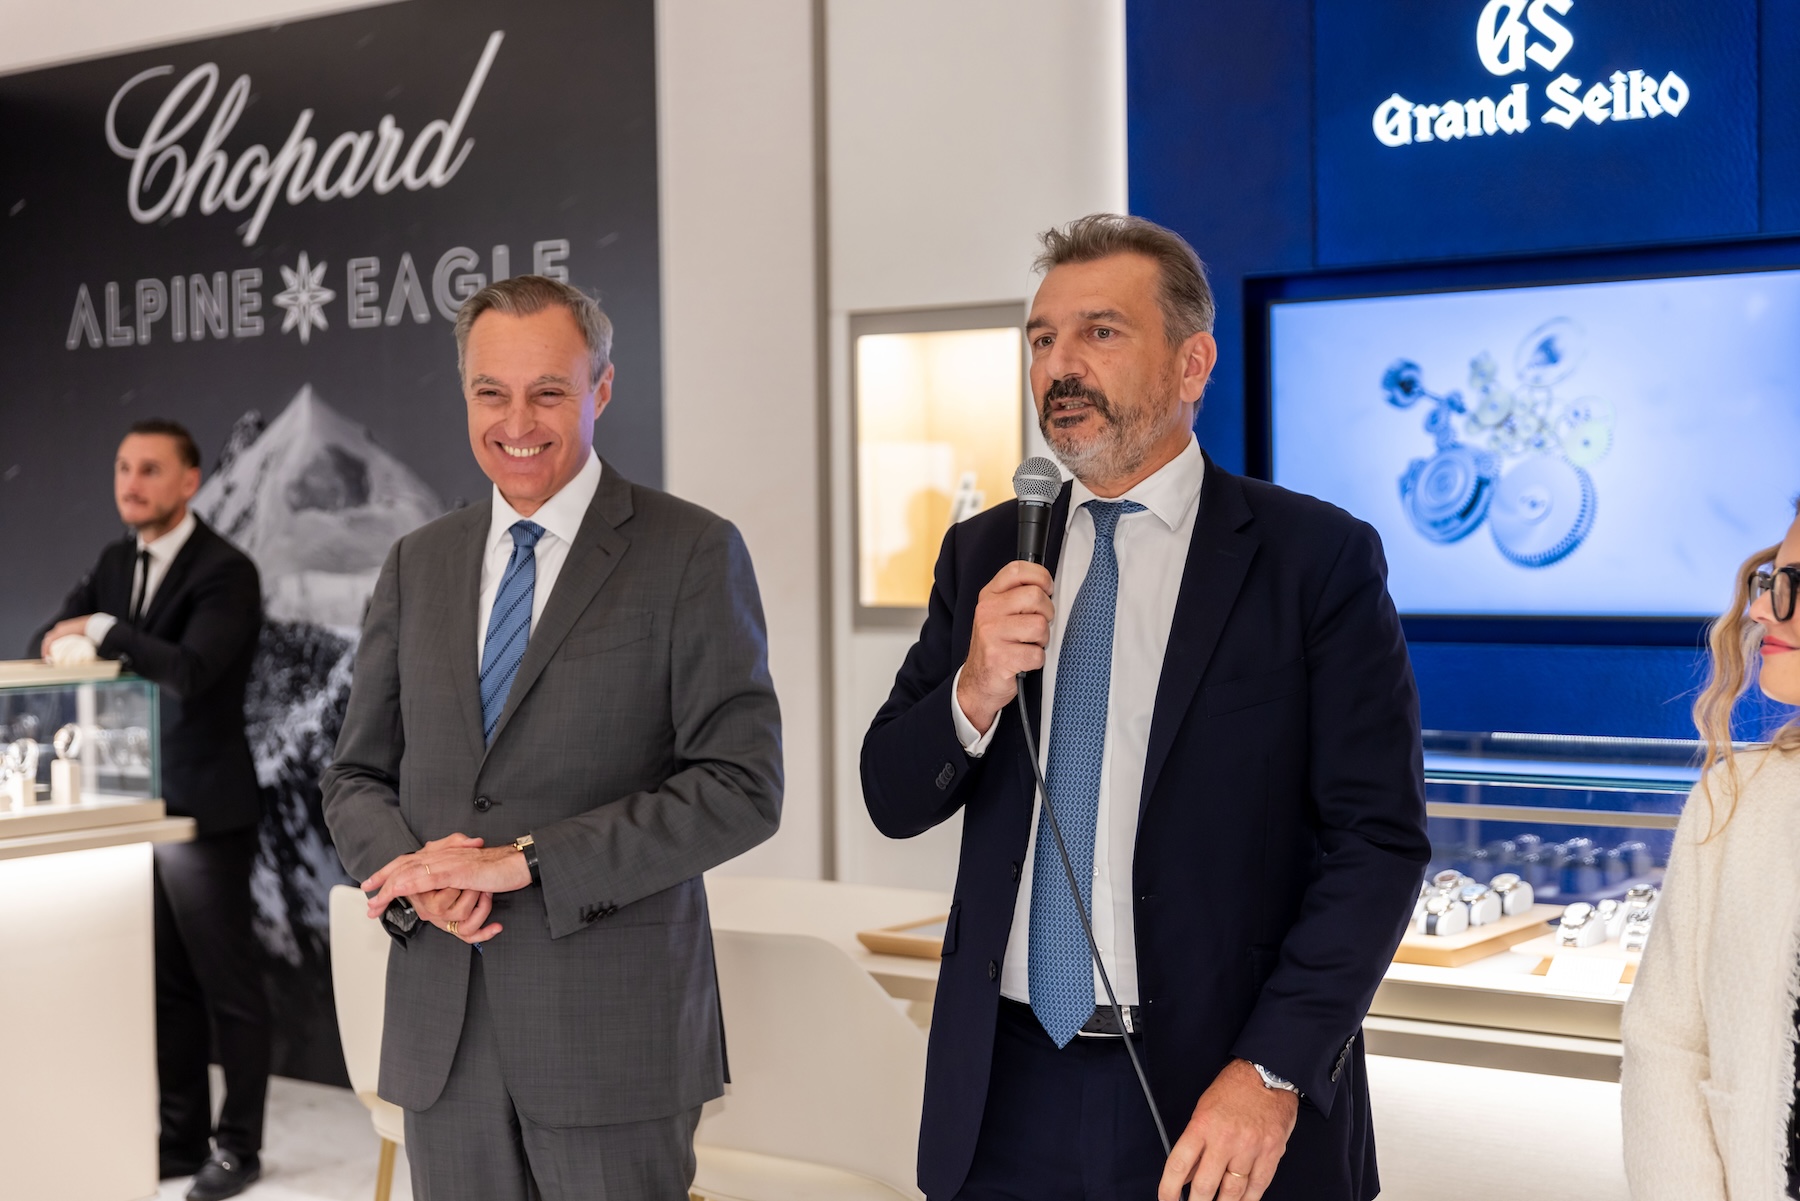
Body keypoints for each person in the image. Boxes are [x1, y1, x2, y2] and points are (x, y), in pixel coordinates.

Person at [861, 214, 1429, 1201]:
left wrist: (1275, 1066)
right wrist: (974, 688)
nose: (1059, 366)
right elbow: (891, 791)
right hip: (1003, 1093)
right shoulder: (987, 548)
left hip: (1217, 1095)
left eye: (1099, 332)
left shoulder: (1312, 559)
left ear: (1193, 361)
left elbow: (1377, 843)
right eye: (1041, 339)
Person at [323, 274, 782, 1201]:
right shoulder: (418, 561)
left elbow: (742, 787)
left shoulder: (693, 550)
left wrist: (526, 860)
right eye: (491, 391)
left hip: (614, 1045)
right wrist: (420, 876)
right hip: (442, 1041)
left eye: (549, 390)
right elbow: (355, 776)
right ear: (465, 396)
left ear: (602, 389)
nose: (516, 419)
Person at [32, 418, 269, 1201]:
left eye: (149, 470)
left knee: (228, 987)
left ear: (191, 481)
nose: (129, 484)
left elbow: (193, 671)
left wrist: (102, 630)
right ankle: (179, 1136)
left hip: (204, 809)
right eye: (122, 467)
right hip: (136, 803)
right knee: (166, 983)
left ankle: (239, 1146)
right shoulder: (113, 561)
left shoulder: (225, 571)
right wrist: (80, 633)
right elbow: (46, 636)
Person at [1622, 503, 1800, 1200]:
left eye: (1796, 584)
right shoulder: (1737, 796)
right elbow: (1665, 1043)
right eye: (1771, 580)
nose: (1762, 612)